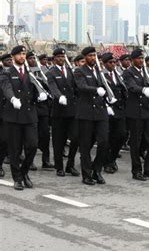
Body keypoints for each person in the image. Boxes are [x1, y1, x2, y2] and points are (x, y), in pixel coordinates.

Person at [2, 45, 46, 190]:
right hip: (13, 116)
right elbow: (6, 88)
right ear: (13, 56)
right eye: (19, 54)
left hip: (29, 115)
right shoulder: (6, 73)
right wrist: (13, 99)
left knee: (32, 146)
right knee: (15, 149)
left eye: (24, 54)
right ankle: (17, 178)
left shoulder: (30, 73)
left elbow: (36, 89)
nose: (22, 56)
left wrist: (40, 95)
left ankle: (24, 171)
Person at [122, 49, 149, 181]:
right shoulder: (128, 72)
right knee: (135, 142)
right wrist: (143, 90)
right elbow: (132, 87)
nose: (141, 60)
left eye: (142, 58)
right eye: (138, 58)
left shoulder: (146, 72)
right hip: (136, 111)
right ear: (132, 59)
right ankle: (136, 170)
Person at [73, 46, 110, 185]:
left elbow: (106, 86)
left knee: (104, 142)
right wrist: (96, 90)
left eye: (94, 55)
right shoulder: (79, 71)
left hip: (101, 112)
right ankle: (87, 174)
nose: (92, 58)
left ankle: (97, 170)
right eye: (90, 56)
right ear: (84, 57)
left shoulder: (99, 71)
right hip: (86, 112)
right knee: (85, 145)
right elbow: (81, 87)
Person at [46, 47, 80, 177]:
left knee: (76, 137)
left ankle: (70, 165)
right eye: (59, 57)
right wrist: (59, 96)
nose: (61, 59)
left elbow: (75, 88)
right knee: (58, 141)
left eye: (63, 57)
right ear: (54, 58)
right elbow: (52, 87)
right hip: (59, 112)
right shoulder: (51, 72)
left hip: (72, 110)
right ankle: (59, 166)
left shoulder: (69, 71)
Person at [101, 53, 128, 174]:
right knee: (107, 137)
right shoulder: (101, 75)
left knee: (121, 135)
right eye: (110, 63)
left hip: (120, 110)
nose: (113, 64)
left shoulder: (118, 75)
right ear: (104, 63)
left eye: (114, 62)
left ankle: (112, 157)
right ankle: (107, 161)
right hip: (107, 109)